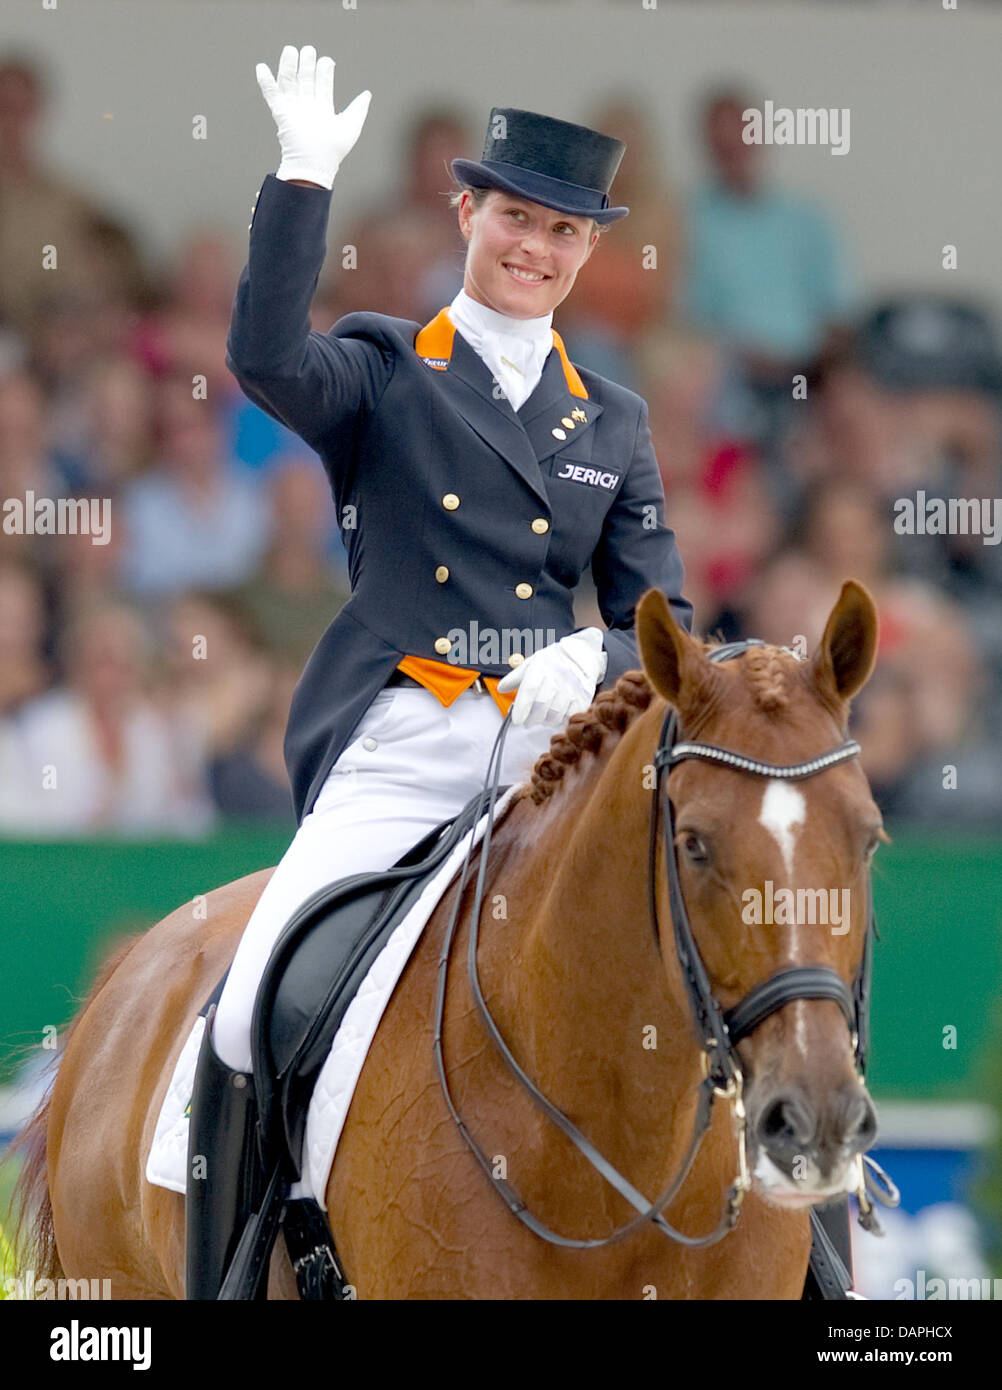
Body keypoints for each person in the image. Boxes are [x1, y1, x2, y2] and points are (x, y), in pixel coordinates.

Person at [183, 45, 692, 1299]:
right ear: (469, 214)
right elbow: (265, 359)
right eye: (516, 217)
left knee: (723, 969)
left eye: (562, 230)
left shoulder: (612, 421)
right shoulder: (387, 366)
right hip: (407, 735)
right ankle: (241, 1264)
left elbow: (663, 618)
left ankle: (813, 1268)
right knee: (252, 1004)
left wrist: (592, 659)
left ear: (590, 251)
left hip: (556, 753)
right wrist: (301, 180)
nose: (536, 247)